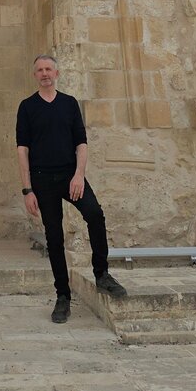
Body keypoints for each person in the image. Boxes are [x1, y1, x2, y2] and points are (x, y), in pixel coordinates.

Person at [16, 54, 127, 323]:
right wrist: (27, 190)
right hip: (42, 179)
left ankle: (101, 274)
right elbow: (22, 150)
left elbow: (82, 143)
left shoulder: (69, 104)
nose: (44, 73)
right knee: (54, 238)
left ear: (57, 73)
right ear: (35, 75)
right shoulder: (27, 107)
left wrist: (79, 175)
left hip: (70, 175)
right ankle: (62, 296)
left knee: (95, 215)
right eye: (40, 70)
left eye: (49, 69)